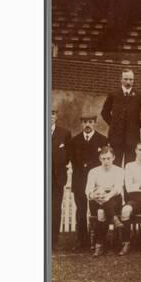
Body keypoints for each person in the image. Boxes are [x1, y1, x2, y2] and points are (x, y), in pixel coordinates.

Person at [69, 109, 108, 251]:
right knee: (80, 211)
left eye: (90, 122)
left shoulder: (103, 140)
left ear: (95, 123)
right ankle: (81, 241)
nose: (88, 125)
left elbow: (103, 160)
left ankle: (97, 240)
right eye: (85, 122)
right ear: (81, 124)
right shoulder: (74, 141)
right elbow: (73, 160)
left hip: (96, 181)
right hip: (79, 180)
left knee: (95, 210)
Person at [85, 146, 124, 257]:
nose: (106, 161)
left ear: (114, 158)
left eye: (108, 158)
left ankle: (99, 245)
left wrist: (107, 196)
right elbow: (88, 189)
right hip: (97, 199)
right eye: (103, 158)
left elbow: (117, 188)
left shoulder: (119, 170)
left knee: (103, 211)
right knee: (101, 211)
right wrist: (94, 195)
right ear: (99, 159)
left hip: (114, 198)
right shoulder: (93, 171)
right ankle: (114, 219)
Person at [101, 68, 141, 166]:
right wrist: (113, 124)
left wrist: (137, 125)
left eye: (131, 79)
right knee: (115, 162)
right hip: (116, 136)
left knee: (131, 164)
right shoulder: (113, 94)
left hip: (132, 136)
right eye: (126, 79)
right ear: (121, 79)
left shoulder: (140, 95)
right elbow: (104, 112)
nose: (128, 82)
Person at [51, 106, 71, 250]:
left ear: (56, 116)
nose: (50, 115)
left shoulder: (64, 133)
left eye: (53, 113)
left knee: (55, 208)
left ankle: (53, 240)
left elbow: (68, 154)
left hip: (57, 177)